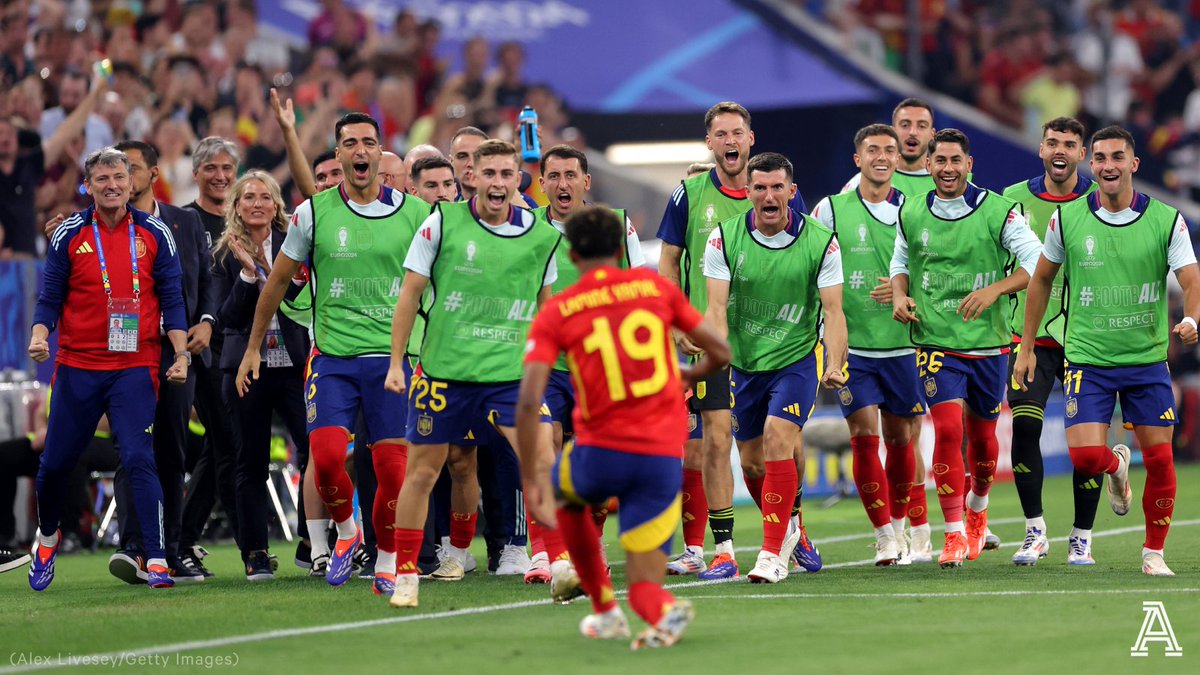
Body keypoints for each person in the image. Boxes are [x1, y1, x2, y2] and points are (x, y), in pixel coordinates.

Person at [517, 206, 731, 648]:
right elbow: (721, 352)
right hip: (659, 455)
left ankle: (602, 606)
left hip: (600, 451)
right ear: (619, 249)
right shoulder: (654, 288)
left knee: (563, 496)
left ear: (571, 256)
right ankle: (661, 611)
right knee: (644, 584)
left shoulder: (558, 310)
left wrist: (532, 479)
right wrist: (689, 375)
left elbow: (527, 400)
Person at [235, 112, 429, 594]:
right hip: (332, 360)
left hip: (391, 363)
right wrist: (253, 347)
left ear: (381, 154)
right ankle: (346, 534)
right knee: (324, 460)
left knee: (390, 470)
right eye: (350, 143)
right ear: (338, 154)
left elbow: (440, 286)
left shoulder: (417, 214)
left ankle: (385, 559)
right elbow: (277, 283)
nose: (359, 151)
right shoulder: (312, 213)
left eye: (368, 143)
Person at [1013, 125, 1200, 577]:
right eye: (1099, 158)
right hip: (1088, 360)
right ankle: (1116, 463)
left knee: (1159, 459)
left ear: (1133, 164)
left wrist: (1192, 318)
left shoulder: (1166, 219)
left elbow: (1192, 279)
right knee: (1084, 460)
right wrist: (1025, 346)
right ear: (1090, 164)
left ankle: (1153, 552)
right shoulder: (1068, 219)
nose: (1108, 165)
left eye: (1117, 157)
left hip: (1146, 360)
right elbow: (1039, 280)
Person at [385, 139, 563, 608]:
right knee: (422, 472)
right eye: (490, 174)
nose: (498, 183)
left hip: (510, 377)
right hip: (445, 374)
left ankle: (561, 564)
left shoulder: (542, 237)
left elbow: (547, 311)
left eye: (507, 174)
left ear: (516, 181)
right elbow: (409, 295)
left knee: (541, 459)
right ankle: (405, 575)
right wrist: (397, 362)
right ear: (474, 178)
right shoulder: (440, 223)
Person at [27, 147, 189, 590]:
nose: (113, 185)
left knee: (139, 457)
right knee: (56, 464)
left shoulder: (156, 233)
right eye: (102, 179)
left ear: (131, 181)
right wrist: (41, 335)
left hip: (134, 366)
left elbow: (173, 299)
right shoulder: (69, 235)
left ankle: (155, 558)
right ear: (88, 186)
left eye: (119, 176)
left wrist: (180, 353)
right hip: (77, 365)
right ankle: (46, 539)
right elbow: (49, 298)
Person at [656, 101, 805, 580]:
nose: (731, 141)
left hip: (777, 344)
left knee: (770, 451)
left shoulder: (778, 193)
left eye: (737, 132)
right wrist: (678, 322)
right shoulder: (689, 194)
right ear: (710, 143)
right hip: (712, 340)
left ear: (751, 137)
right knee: (714, 443)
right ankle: (722, 550)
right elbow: (668, 262)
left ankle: (789, 528)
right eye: (721, 134)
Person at [890, 129, 1043, 569]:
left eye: (956, 160)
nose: (948, 168)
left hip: (989, 343)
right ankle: (953, 533)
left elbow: (1037, 265)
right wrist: (900, 296)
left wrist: (996, 289)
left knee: (982, 439)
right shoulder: (912, 211)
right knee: (949, 432)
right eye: (940, 161)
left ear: (969, 165)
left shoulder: (1000, 211)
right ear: (929, 165)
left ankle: (977, 508)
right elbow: (900, 263)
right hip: (935, 340)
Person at [704, 152, 845, 581]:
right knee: (750, 464)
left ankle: (770, 555)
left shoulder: (822, 241)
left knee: (776, 439)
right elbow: (715, 309)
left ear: (792, 192)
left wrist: (835, 362)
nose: (769, 195)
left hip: (796, 360)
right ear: (748, 193)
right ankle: (793, 530)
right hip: (744, 364)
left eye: (777, 187)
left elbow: (834, 312)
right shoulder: (723, 238)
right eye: (760, 187)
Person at [522, 144, 645, 583]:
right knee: (544, 448)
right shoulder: (526, 227)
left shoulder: (616, 225)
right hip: (549, 364)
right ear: (542, 183)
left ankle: (587, 548)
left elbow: (637, 290)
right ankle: (544, 553)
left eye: (570, 175)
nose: (561, 184)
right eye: (552, 176)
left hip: (600, 365)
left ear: (586, 181)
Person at [810, 125, 922, 565]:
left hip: (904, 345)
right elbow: (812, 265)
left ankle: (900, 524)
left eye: (888, 150)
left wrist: (902, 291)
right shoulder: (830, 210)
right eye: (872, 149)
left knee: (900, 439)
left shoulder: (915, 211)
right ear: (857, 159)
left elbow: (931, 273)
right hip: (853, 347)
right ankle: (883, 537)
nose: (881, 156)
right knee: (863, 436)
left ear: (898, 160)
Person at [107, 140, 216, 585]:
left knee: (171, 450)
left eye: (128, 169)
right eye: (113, 170)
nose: (120, 178)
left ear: (153, 173)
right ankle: (133, 549)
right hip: (125, 351)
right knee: (131, 451)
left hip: (175, 351)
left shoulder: (184, 222)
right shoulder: (98, 228)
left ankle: (169, 550)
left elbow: (207, 277)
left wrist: (207, 321)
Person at [1000, 117, 1103, 567]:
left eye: (1070, 144)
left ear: (1082, 154)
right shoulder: (1010, 201)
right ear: (1041, 149)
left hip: (1087, 339)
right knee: (1025, 427)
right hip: (1031, 337)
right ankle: (1034, 530)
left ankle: (1082, 536)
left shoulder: (1100, 202)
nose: (1060, 150)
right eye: (1052, 143)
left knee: (1086, 445)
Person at [213, 171, 311, 582]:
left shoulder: (298, 244)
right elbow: (226, 319)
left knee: (315, 453)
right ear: (236, 206)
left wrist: (265, 266)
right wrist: (246, 274)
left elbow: (297, 298)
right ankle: (255, 552)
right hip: (244, 369)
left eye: (264, 197)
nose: (256, 203)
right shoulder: (220, 255)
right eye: (248, 197)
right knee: (248, 461)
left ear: (276, 206)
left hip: (293, 366)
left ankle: (313, 542)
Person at [177, 136, 242, 579]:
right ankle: (184, 543)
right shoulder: (183, 222)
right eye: (211, 168)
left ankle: (180, 541)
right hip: (202, 348)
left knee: (223, 448)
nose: (220, 176)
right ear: (196, 173)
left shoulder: (248, 216)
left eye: (227, 169)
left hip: (241, 346)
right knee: (227, 446)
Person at [843, 98, 939, 197]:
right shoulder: (862, 183)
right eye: (905, 125)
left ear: (932, 135)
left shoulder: (945, 185)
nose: (913, 132)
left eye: (922, 126)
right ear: (893, 132)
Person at [449, 126, 487, 201]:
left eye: (478, 156)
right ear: (451, 163)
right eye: (462, 156)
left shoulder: (510, 210)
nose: (471, 164)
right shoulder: (444, 212)